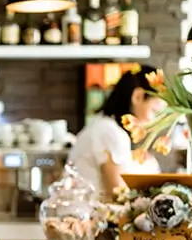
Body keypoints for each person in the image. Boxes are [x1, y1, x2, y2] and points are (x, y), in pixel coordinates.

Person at [68, 64, 167, 199]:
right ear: (137, 96)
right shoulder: (110, 132)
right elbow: (117, 194)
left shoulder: (103, 125)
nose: (154, 121)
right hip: (84, 216)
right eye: (154, 111)